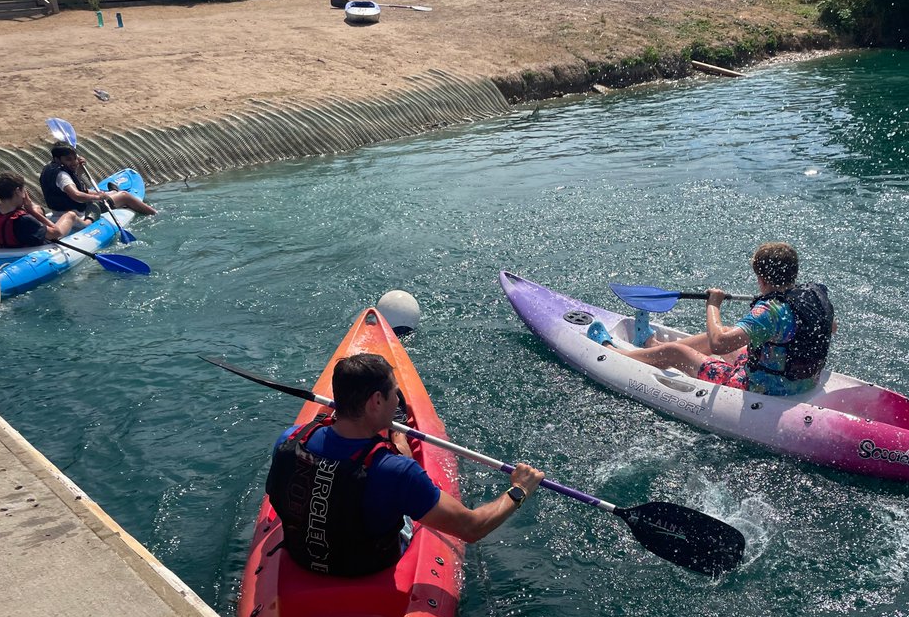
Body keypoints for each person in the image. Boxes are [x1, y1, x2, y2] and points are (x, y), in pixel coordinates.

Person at [266, 353, 545, 578]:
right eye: (394, 395)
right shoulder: (398, 472)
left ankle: (392, 436)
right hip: (367, 566)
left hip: (302, 557)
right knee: (400, 487)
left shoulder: (290, 438)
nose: (398, 400)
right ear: (376, 401)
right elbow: (471, 528)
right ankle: (395, 439)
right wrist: (519, 490)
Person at [588, 242, 836, 396]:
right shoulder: (813, 296)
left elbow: (718, 343)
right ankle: (651, 345)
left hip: (764, 387)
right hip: (802, 382)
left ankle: (613, 352)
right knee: (732, 333)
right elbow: (830, 328)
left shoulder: (770, 311)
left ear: (761, 278)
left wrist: (713, 304)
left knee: (677, 352)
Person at [0, 172, 91, 248]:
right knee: (70, 215)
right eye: (24, 190)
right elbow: (56, 233)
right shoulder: (24, 220)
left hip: (3, 248)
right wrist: (32, 212)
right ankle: (89, 222)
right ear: (18, 191)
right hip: (28, 247)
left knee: (37, 208)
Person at [39, 143, 157, 217]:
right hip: (78, 212)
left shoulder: (50, 167)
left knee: (94, 191)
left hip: (61, 209)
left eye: (75, 158)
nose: (73, 162)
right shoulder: (62, 175)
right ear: (57, 159)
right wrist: (98, 198)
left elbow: (75, 186)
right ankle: (154, 213)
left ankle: (112, 193)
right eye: (68, 159)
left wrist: (79, 170)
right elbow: (76, 195)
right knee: (125, 195)